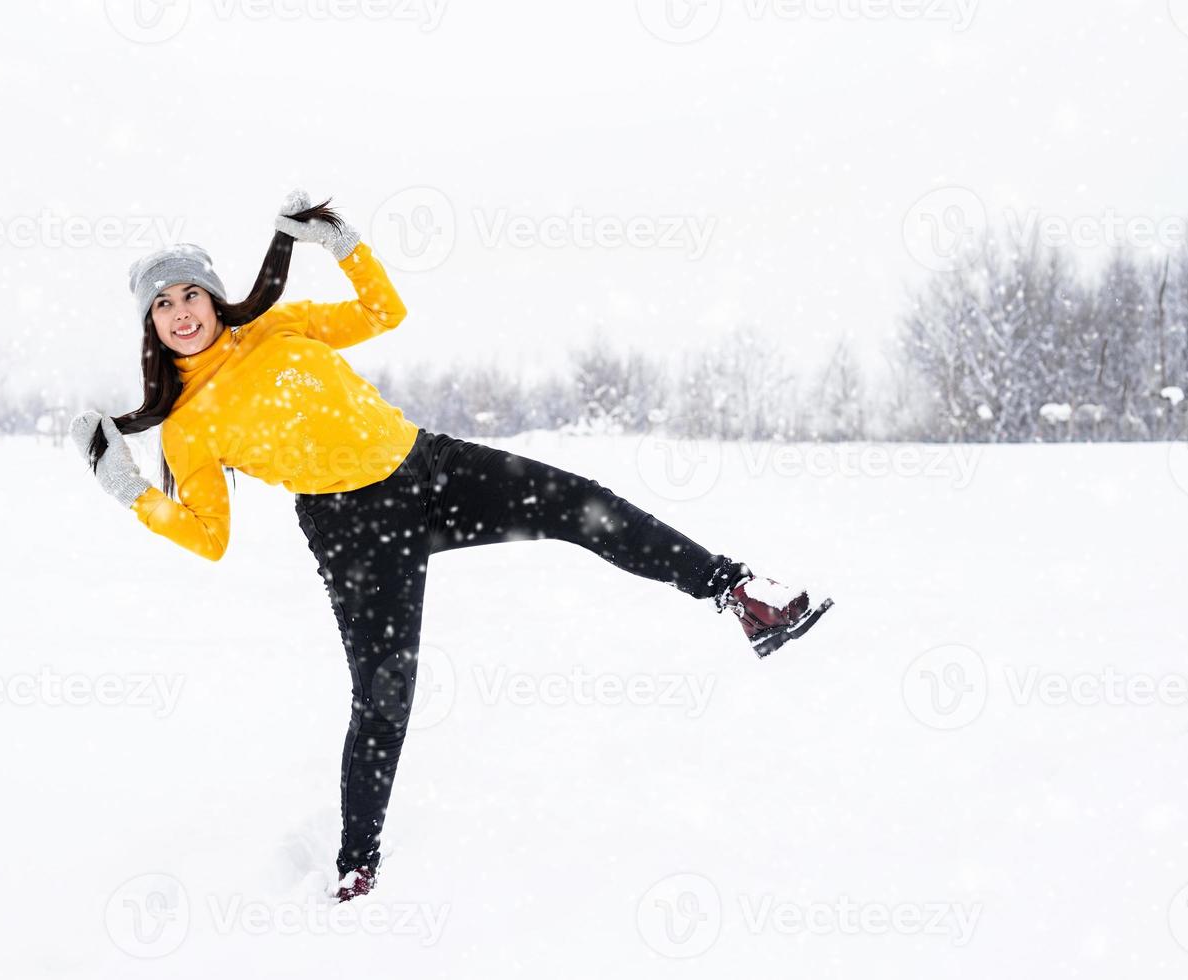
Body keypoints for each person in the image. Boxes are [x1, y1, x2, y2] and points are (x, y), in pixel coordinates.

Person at [69, 190, 833, 903]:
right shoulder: (187, 424)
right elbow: (208, 538)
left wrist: (345, 245)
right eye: (162, 305)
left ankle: (739, 594)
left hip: (427, 466)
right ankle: (355, 866)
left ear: (212, 294)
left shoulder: (276, 325)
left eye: (188, 294)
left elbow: (382, 310)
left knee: (580, 504)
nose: (179, 313)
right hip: (352, 534)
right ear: (150, 324)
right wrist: (131, 491)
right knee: (384, 701)